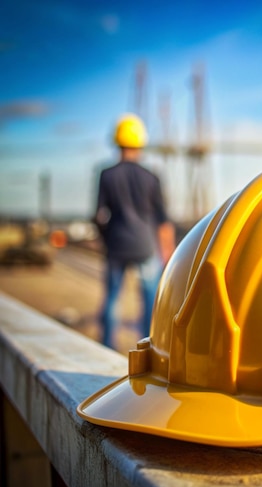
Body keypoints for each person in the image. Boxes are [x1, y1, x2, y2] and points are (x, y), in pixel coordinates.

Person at [94, 113, 175, 349]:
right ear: (140, 143)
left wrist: (107, 238)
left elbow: (98, 216)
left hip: (117, 245)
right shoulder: (151, 177)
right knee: (150, 303)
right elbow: (163, 219)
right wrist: (167, 252)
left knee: (111, 300)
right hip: (146, 247)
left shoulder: (106, 175)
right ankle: (148, 351)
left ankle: (107, 348)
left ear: (117, 142)